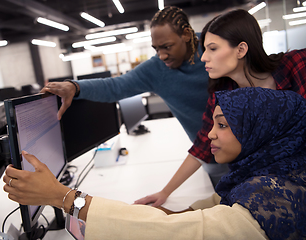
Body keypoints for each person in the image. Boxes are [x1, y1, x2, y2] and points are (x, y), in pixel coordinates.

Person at [3, 87, 306, 239]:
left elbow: (177, 234)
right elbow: (216, 203)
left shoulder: (274, 201)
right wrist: (177, 211)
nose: (210, 134)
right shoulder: (269, 170)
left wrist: (63, 197)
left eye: (223, 125)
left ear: (260, 129)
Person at [42, 6, 229, 191]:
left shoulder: (213, 50)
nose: (162, 55)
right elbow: (116, 86)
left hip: (246, 146)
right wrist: (75, 87)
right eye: (156, 49)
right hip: (209, 154)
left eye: (167, 47)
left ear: (187, 35)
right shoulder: (156, 69)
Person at [135, 8, 306, 207]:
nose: (203, 57)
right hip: (271, 192)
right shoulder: (223, 95)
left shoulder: (297, 65)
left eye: (213, 49)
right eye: (204, 49)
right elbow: (202, 147)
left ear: (241, 50)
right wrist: (165, 192)